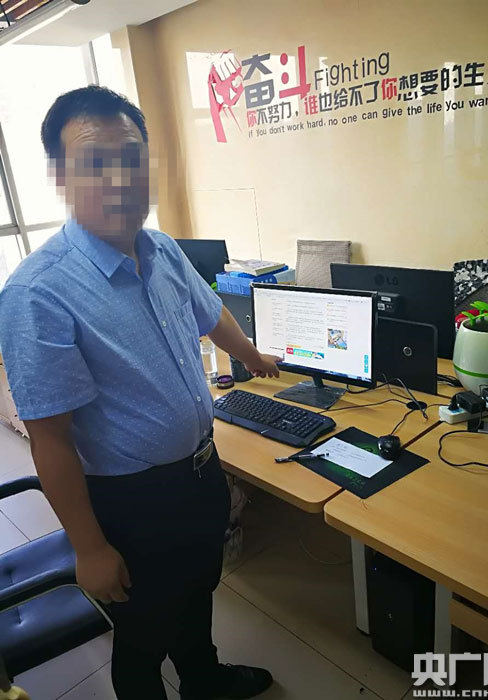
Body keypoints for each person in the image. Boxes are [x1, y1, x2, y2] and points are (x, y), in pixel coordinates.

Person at [0, 86, 279, 700]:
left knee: (198, 591)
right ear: (61, 179)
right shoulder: (37, 293)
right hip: (131, 504)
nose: (118, 179)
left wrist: (251, 356)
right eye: (93, 164)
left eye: (130, 158)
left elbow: (210, 313)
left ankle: (203, 680)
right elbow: (50, 440)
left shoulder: (163, 249)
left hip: (201, 473)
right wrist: (90, 547)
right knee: (144, 633)